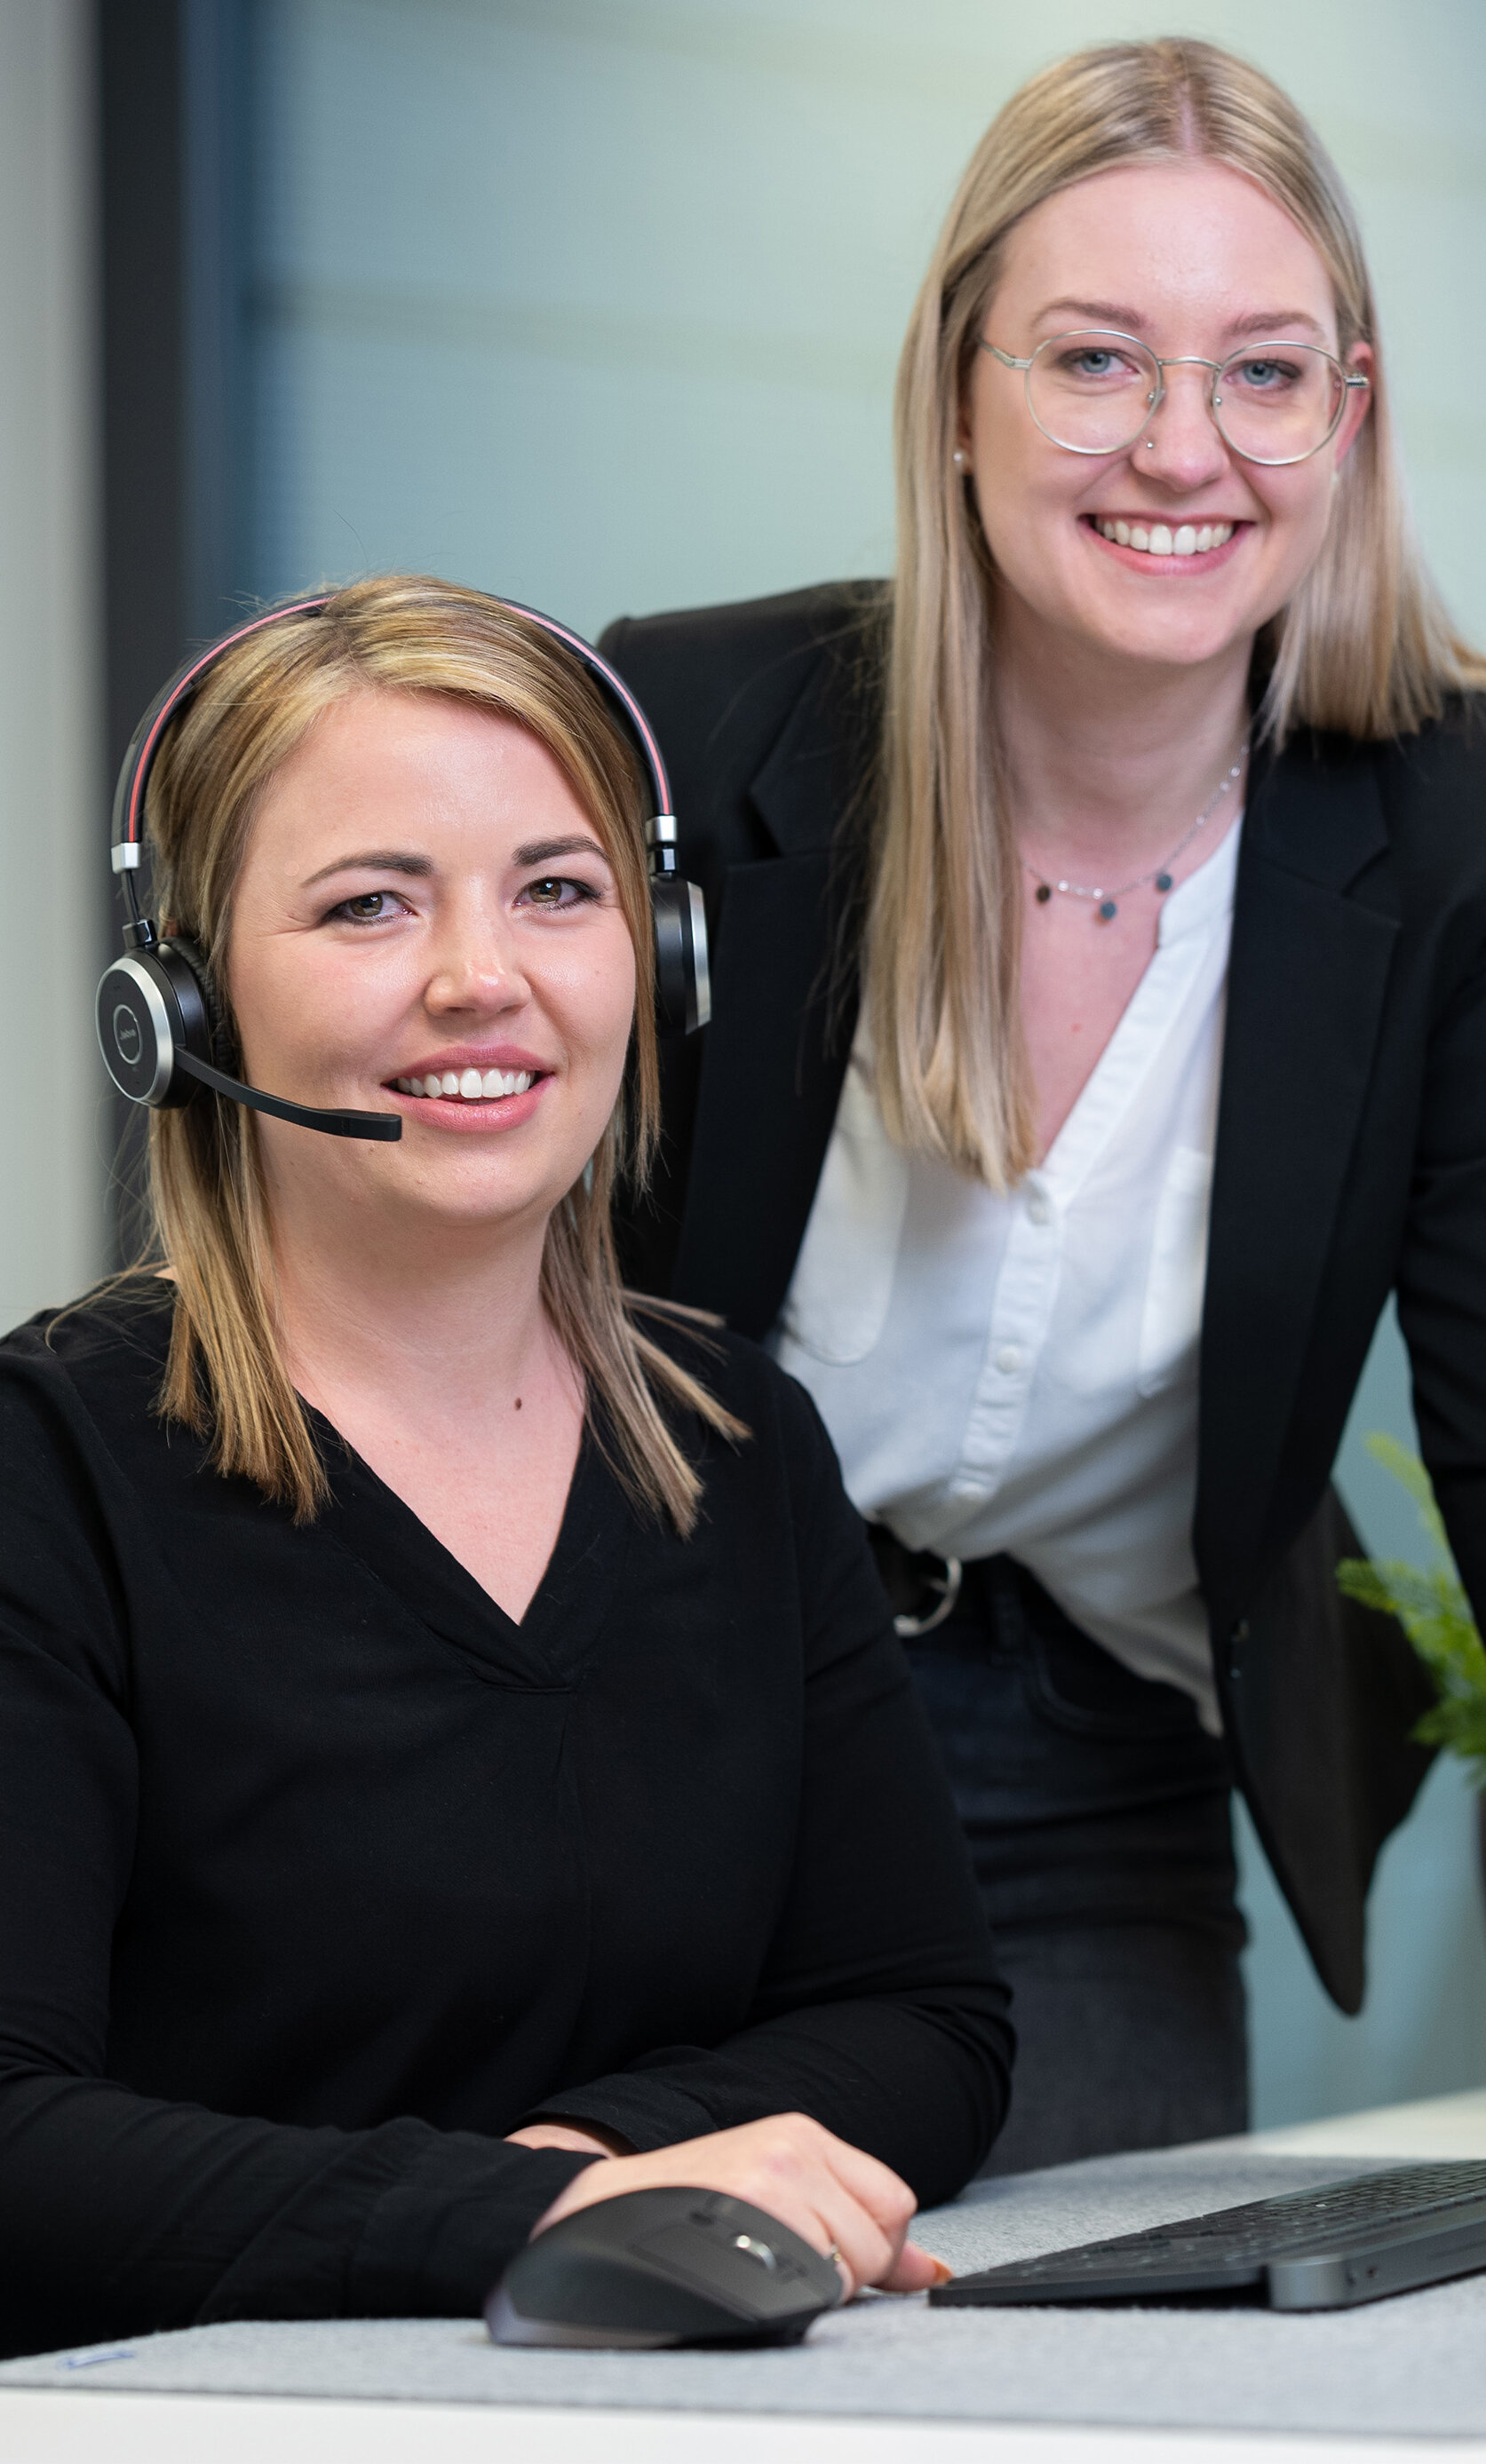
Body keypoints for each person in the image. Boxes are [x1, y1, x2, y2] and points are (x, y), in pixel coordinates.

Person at [600, 36, 1486, 2175]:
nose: (1184, 448)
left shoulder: (1449, 821)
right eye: (1096, 359)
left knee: (1106, 2355)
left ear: (1346, 419)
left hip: (1109, 1737)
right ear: (960, 386)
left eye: (1266, 373)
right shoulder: (693, 729)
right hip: (662, 1708)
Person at [0, 577, 1012, 2363]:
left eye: (559, 888)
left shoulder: (736, 1442)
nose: (486, 977)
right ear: (185, 994)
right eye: (371, 902)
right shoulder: (47, 1463)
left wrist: (600, 2159)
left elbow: (921, 2015)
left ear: (665, 952)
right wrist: (532, 2213)